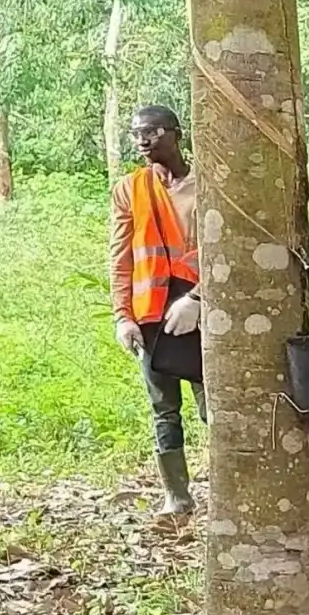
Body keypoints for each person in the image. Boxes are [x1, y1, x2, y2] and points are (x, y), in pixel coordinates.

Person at [110, 104, 203, 516]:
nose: (142, 140)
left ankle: (230, 487)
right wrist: (123, 316)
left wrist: (198, 299)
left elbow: (224, 250)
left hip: (200, 306)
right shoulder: (130, 189)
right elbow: (121, 256)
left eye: (151, 131)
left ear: (176, 133)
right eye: (135, 134)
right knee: (164, 409)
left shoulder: (208, 184)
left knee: (214, 404)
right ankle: (177, 497)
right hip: (152, 312)